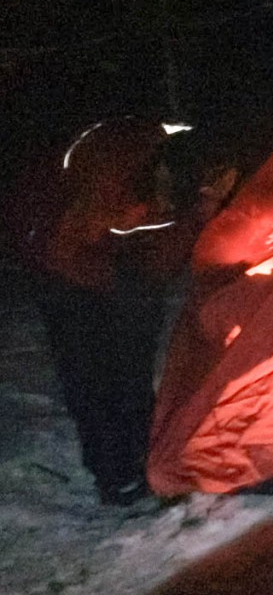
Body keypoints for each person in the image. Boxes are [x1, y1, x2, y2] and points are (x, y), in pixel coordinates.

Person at [2, 116, 238, 505]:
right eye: (159, 201)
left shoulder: (198, 179)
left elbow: (159, 265)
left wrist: (199, 214)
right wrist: (111, 294)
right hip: (59, 249)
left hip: (120, 247)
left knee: (133, 362)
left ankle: (143, 459)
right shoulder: (110, 166)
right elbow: (69, 256)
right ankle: (115, 474)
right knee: (91, 369)